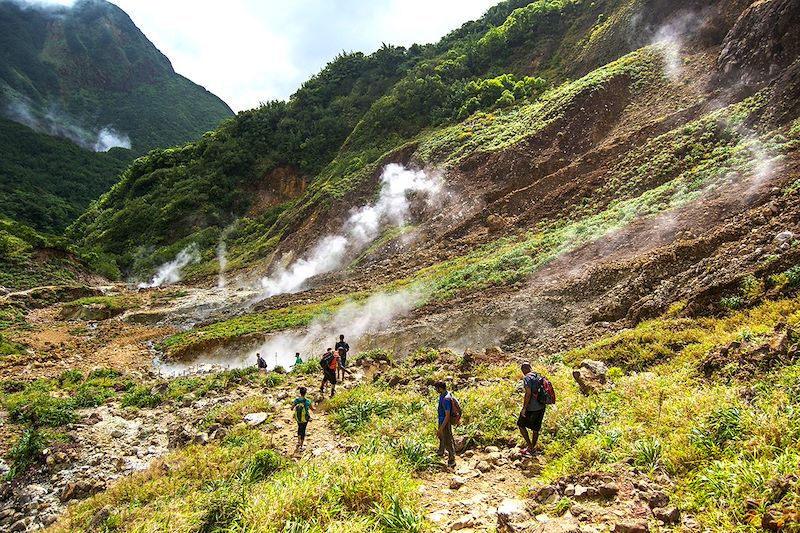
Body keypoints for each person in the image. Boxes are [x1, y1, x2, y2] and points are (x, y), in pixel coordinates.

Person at [518, 362, 546, 456]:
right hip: (541, 406)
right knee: (536, 428)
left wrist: (524, 408)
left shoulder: (527, 378)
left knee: (521, 424)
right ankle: (532, 448)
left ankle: (530, 447)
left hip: (532, 407)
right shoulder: (538, 376)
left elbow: (528, 393)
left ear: (524, 370)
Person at [434, 381, 456, 468]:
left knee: (448, 440)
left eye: (437, 388)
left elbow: (447, 415)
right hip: (441, 420)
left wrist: (441, 428)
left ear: (440, 388)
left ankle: (452, 460)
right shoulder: (443, 395)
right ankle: (441, 452)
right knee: (441, 437)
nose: (436, 390)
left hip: (445, 422)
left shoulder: (446, 399)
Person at [292, 386, 312, 451]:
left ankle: (298, 441)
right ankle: (301, 446)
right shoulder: (308, 401)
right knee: (303, 430)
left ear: (300, 392)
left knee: (299, 428)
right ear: (305, 393)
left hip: (298, 418)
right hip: (305, 418)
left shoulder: (296, 400)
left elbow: (291, 408)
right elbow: (312, 409)